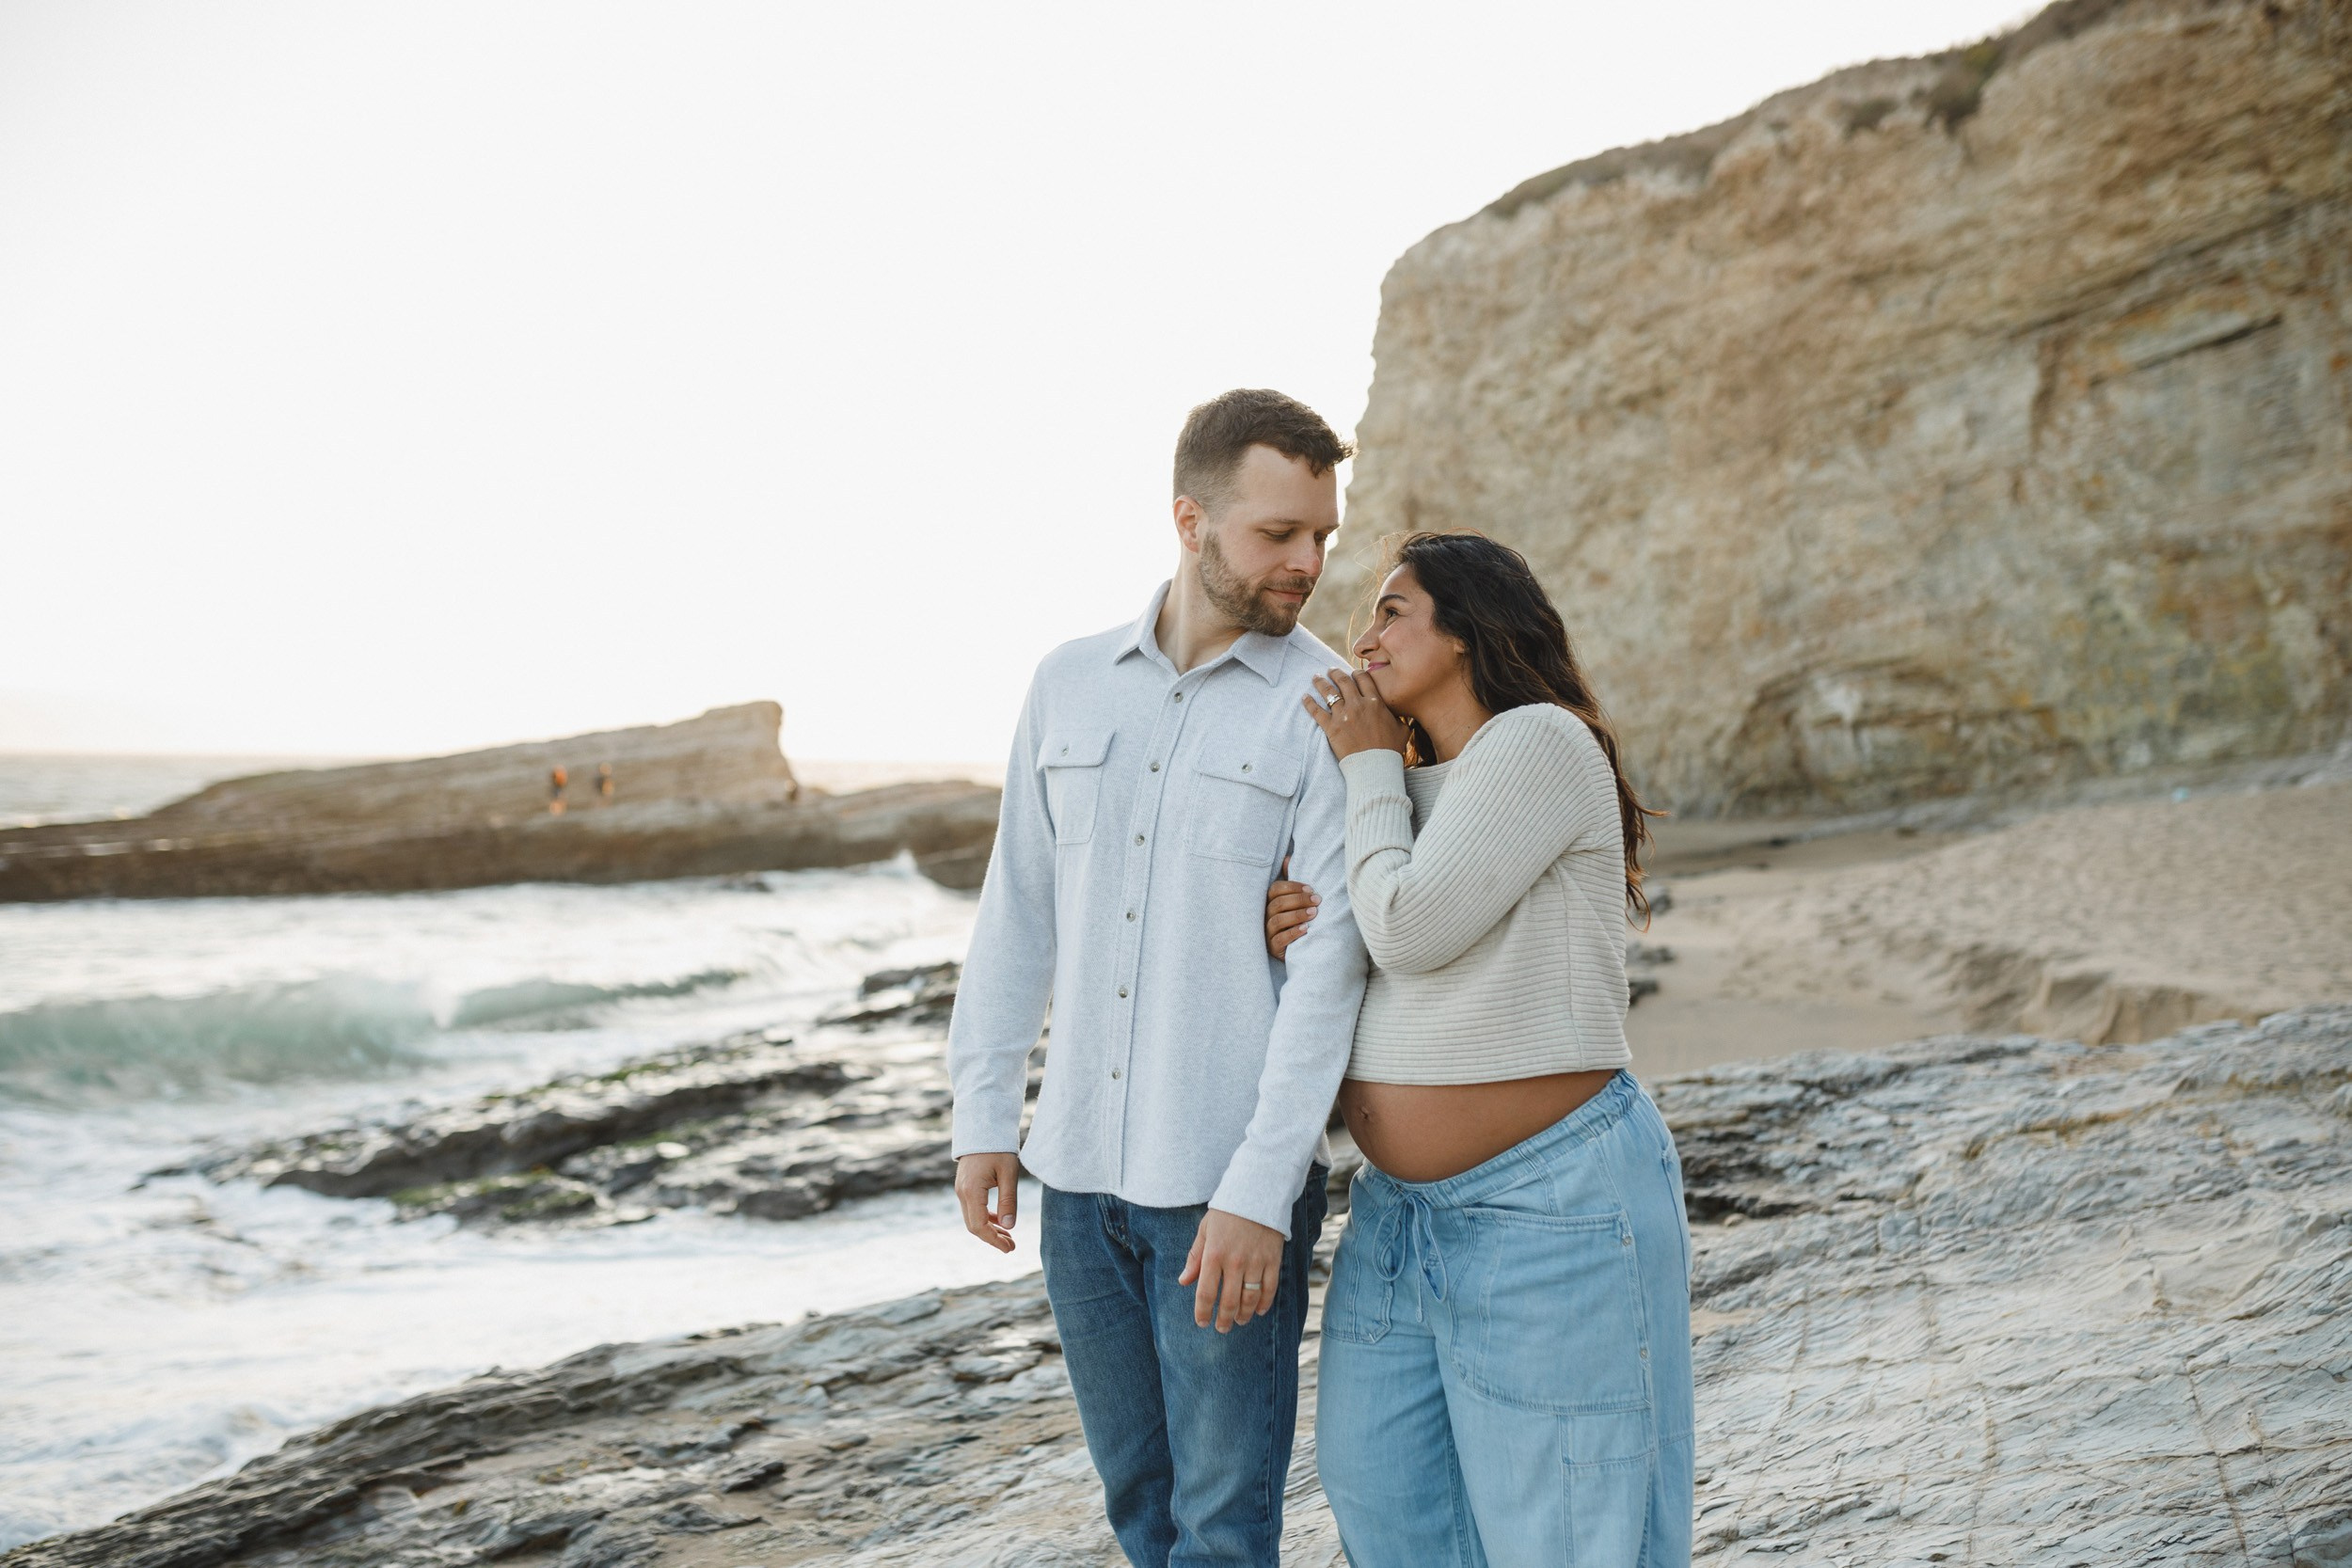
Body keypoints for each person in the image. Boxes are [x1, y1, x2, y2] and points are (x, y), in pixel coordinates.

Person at [948, 388, 1371, 1567]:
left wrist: (1259, 1184)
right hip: (1076, 1181)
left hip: (1221, 1180)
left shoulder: (1329, 709)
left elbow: (1330, 967)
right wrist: (984, 1114)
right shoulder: (1067, 682)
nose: (1306, 562)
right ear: (1190, 520)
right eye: (1276, 534)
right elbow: (1016, 908)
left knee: (1223, 1528)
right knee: (1140, 1506)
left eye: (1321, 535)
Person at [1264, 531, 1694, 1567]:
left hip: (1552, 1207)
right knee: (1388, 1510)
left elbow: (1408, 925)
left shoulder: (1539, 741)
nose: (1361, 639)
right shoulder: (1403, 789)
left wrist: (1366, 764)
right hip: (1397, 1218)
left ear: (1464, 629)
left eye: (1391, 610)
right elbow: (1369, 959)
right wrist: (1295, 927)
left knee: (1567, 1538)